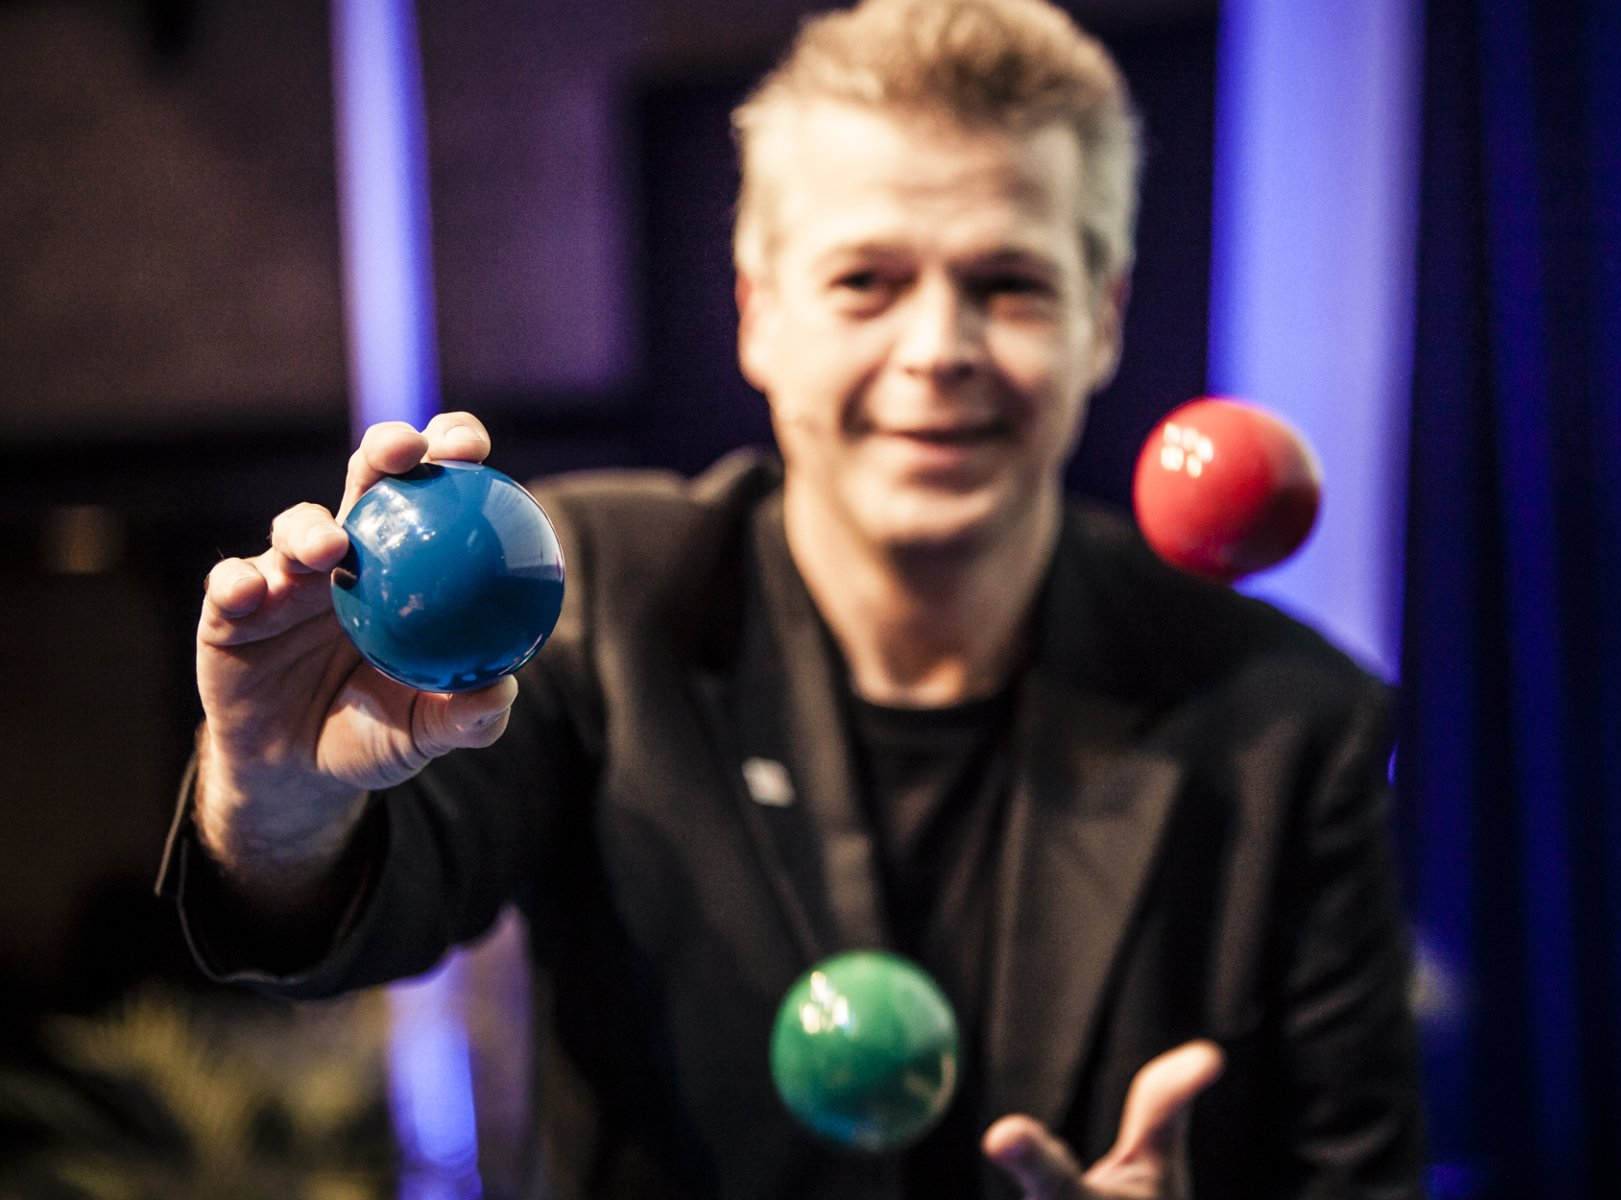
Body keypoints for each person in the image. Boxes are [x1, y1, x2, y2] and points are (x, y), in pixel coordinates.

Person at [160, 0, 1426, 1196]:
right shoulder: (587, 593)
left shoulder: (1287, 723)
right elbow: (348, 913)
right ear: (759, 318)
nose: (939, 349)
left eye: (1011, 284)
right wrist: (276, 791)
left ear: (1103, 320)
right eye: (867, 281)